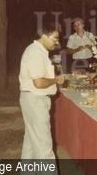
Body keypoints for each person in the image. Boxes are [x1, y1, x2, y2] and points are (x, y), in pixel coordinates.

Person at [19, 21, 65, 162]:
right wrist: (56, 80)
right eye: (55, 38)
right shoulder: (36, 52)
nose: (57, 43)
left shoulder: (39, 51)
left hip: (33, 99)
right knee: (45, 149)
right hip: (35, 100)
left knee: (31, 145)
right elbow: (38, 82)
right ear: (44, 35)